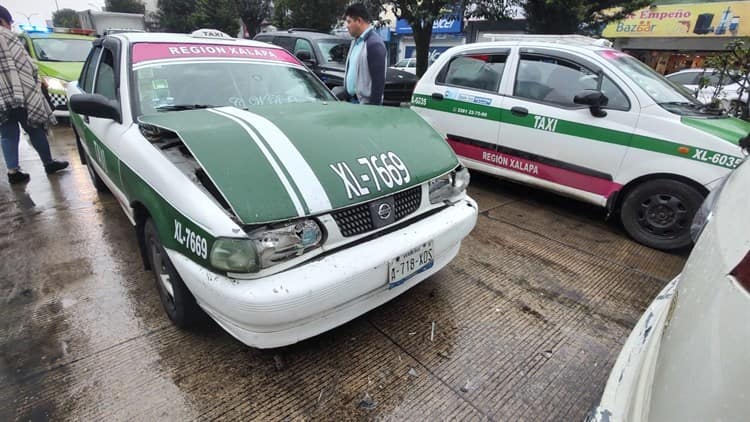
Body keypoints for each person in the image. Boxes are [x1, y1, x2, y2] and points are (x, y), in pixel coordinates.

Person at [0, 5, 68, 185]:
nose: (10, 26)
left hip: (1, 99)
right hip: (20, 93)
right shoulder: (7, 37)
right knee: (34, 127)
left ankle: (13, 171)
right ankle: (48, 163)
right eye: (9, 22)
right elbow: (26, 66)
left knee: (7, 133)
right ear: (3, 21)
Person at [343, 3, 386, 105]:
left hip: (365, 106)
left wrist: (372, 111)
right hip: (352, 102)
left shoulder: (374, 44)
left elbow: (378, 84)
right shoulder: (355, 42)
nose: (347, 26)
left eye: (349, 22)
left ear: (359, 21)